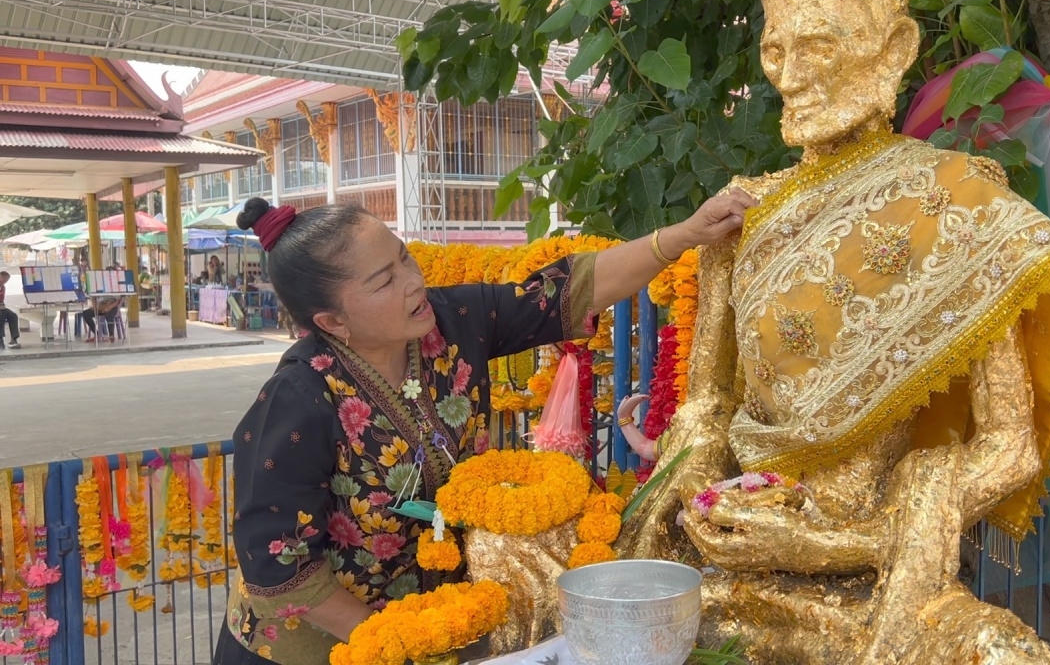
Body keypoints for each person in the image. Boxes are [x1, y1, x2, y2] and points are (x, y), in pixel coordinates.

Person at [615, 0, 1050, 662]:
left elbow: (1010, 450)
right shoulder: (744, 216)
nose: (792, 75)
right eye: (776, 49)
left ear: (894, 49)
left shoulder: (957, 201)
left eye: (819, 45)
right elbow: (708, 404)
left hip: (881, 574)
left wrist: (823, 544)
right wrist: (696, 488)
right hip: (731, 566)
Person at [213, 192, 753, 665]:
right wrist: (392, 642)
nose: (413, 282)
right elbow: (275, 561)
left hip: (437, 627)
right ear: (332, 322)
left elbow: (570, 292)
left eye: (404, 258)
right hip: (323, 646)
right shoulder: (300, 396)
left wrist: (685, 234)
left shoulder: (451, 322)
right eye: (384, 281)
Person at [0, 272, 20, 350]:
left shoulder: (3, 287)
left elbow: (2, 300)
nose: (4, 282)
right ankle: (0, 339)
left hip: (2, 307)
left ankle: (14, 338)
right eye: (3, 280)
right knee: (1, 316)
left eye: (6, 280)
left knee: (13, 316)